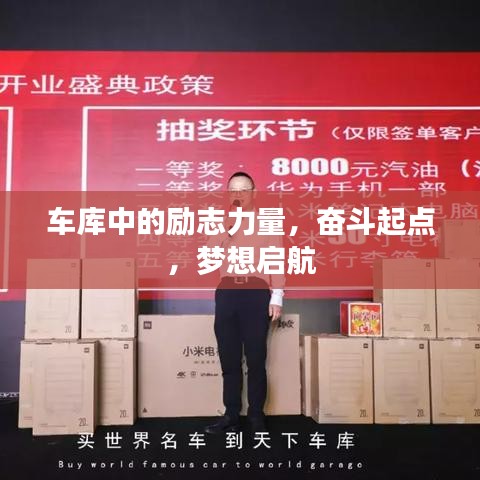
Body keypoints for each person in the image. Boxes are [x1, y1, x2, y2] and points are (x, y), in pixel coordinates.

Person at [204, 171, 284, 435]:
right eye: (233, 190)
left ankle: (256, 415)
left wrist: (277, 296)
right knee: (228, 357)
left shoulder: (268, 221)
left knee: (256, 357)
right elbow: (209, 253)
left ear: (254, 192)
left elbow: (276, 257)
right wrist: (228, 227)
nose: (238, 194)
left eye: (244, 189)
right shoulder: (221, 221)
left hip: (256, 291)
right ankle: (231, 415)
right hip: (227, 291)